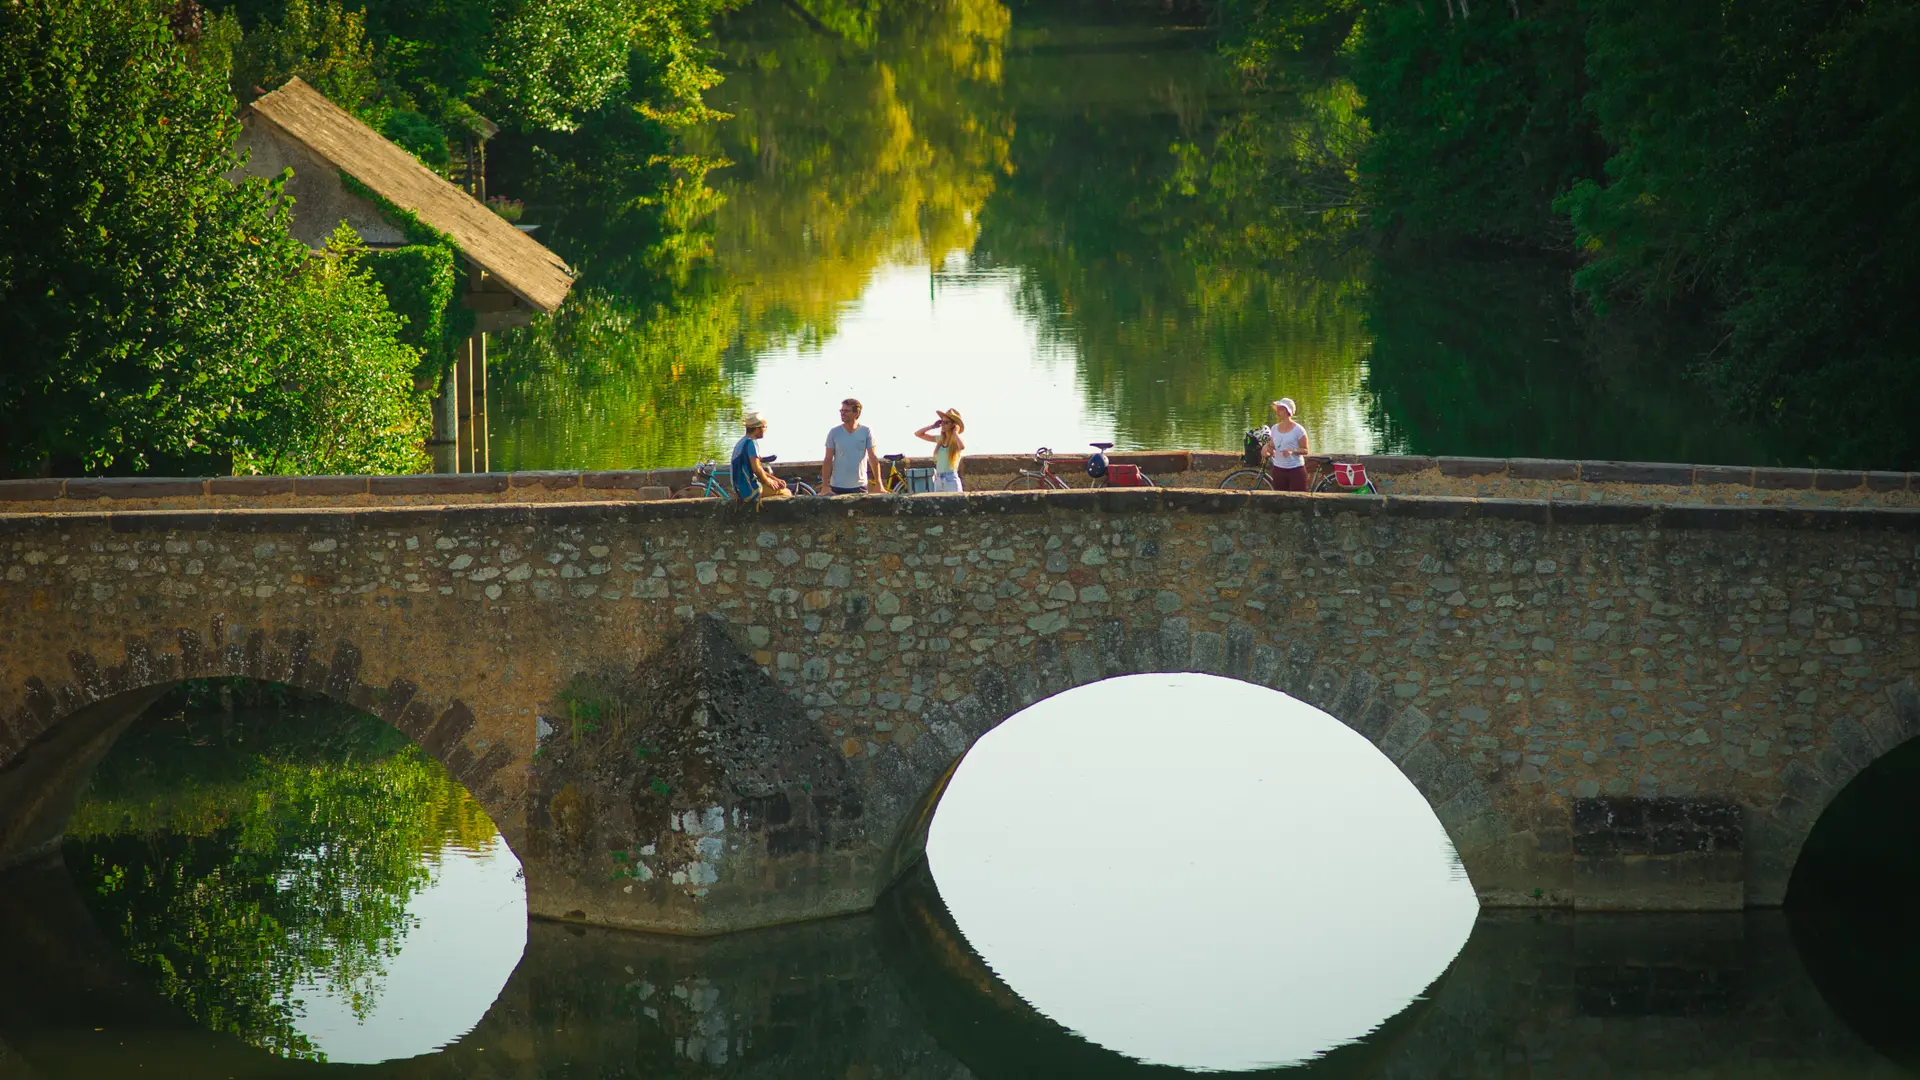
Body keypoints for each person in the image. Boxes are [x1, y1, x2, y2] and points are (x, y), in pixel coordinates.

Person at [821, 398, 883, 495]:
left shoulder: (866, 431)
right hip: (838, 486)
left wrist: (879, 484)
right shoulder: (834, 432)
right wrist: (825, 486)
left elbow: (873, 457)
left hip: (860, 486)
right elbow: (828, 459)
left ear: (856, 413)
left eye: (846, 411)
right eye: (841, 410)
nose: (842, 413)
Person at [731, 411, 790, 501]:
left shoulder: (742, 442)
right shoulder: (751, 443)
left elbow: (756, 468)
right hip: (750, 490)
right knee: (786, 493)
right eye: (764, 427)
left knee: (778, 489)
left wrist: (775, 479)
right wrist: (768, 482)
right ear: (757, 429)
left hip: (739, 489)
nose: (765, 429)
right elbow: (757, 469)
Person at [1262, 397, 1310, 492]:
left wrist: (1292, 451)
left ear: (1288, 411)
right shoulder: (1274, 429)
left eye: (1281, 409)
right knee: (1279, 500)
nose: (1278, 412)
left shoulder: (1298, 430)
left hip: (1296, 470)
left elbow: (1305, 450)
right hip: (1278, 469)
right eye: (1278, 409)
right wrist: (1266, 447)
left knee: (1298, 499)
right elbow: (1273, 447)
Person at [913, 408, 966, 492]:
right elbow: (918, 434)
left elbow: (962, 447)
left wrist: (955, 432)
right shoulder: (940, 439)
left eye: (946, 422)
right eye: (942, 422)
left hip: (951, 479)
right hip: (938, 479)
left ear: (953, 424)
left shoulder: (956, 441)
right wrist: (932, 426)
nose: (943, 425)